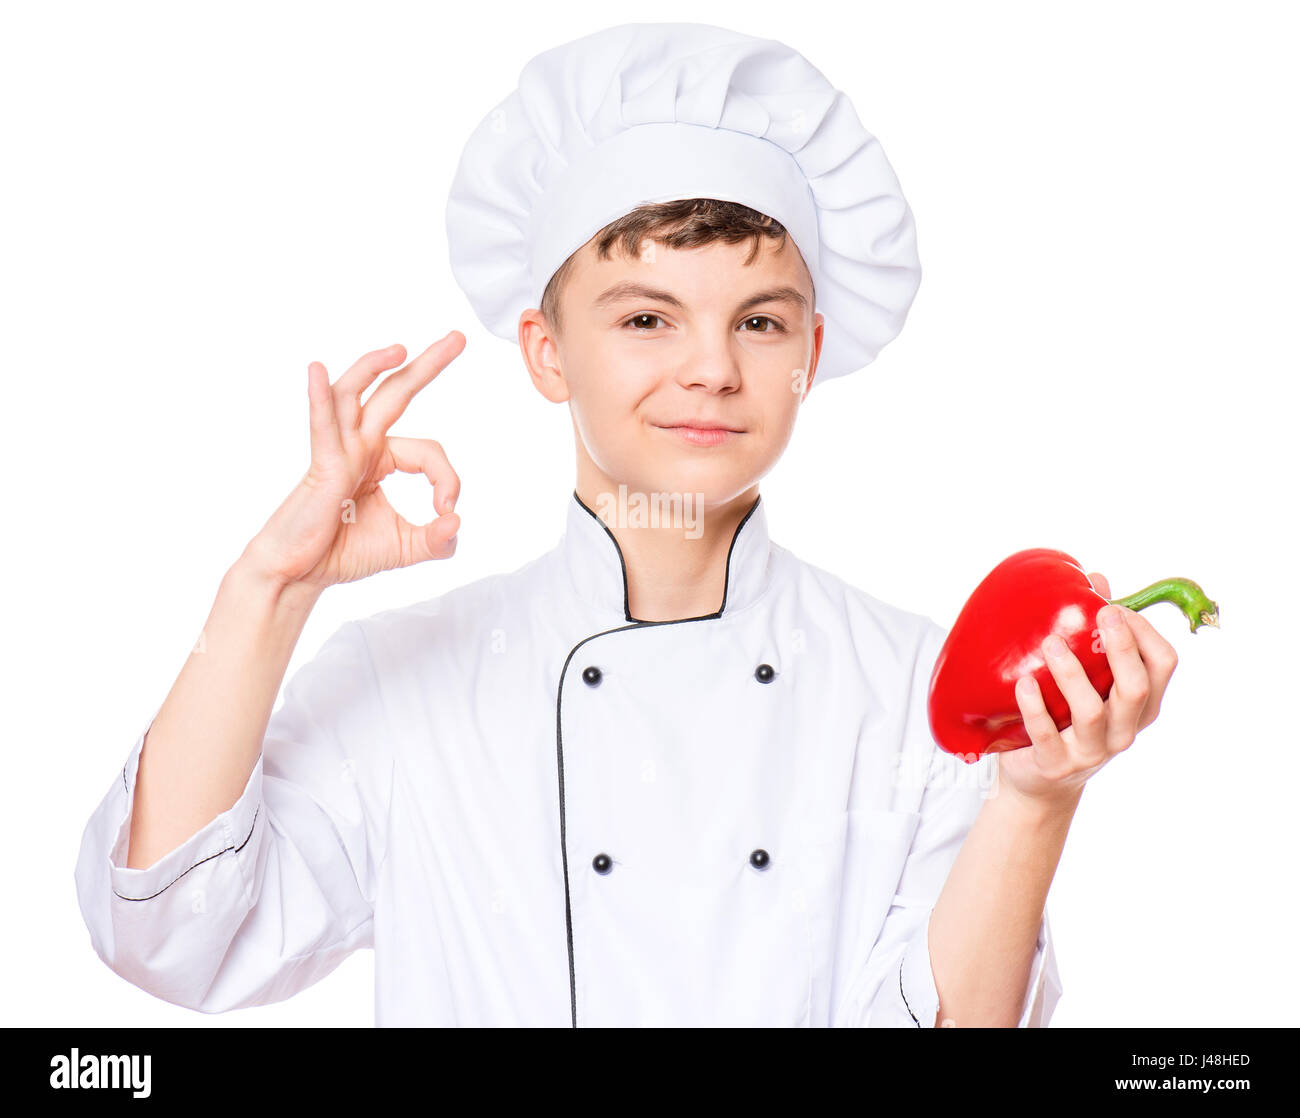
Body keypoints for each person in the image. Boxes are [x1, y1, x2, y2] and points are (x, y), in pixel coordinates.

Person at [74, 22, 1178, 1027]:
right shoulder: (407, 683)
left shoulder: (911, 689)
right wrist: (270, 589)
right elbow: (169, 937)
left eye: (757, 320)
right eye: (647, 317)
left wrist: (1036, 799)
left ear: (809, 354)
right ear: (547, 352)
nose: (710, 366)